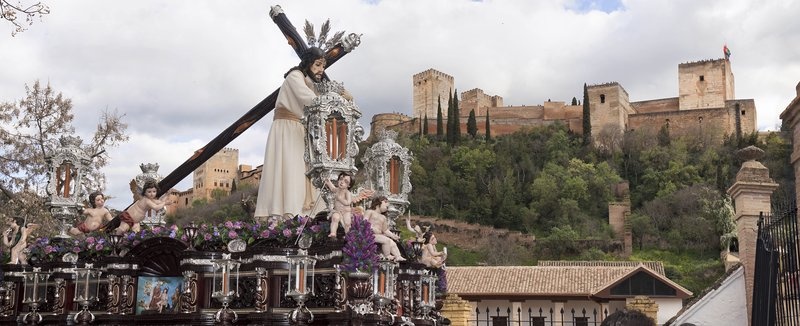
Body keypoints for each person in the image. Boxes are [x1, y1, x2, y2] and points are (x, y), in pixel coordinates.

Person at [254, 46, 351, 219]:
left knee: (302, 171)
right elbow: (310, 100)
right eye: (318, 64)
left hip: (300, 130)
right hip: (287, 129)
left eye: (323, 66)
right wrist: (336, 97)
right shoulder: (295, 77)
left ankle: (305, 215)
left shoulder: (311, 82)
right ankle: (286, 214)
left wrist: (342, 96)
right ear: (308, 63)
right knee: (290, 169)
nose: (321, 69)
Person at [108, 180, 173, 235]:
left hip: (136, 222)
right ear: (145, 192)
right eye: (149, 191)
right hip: (129, 217)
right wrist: (165, 203)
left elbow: (159, 202)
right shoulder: (146, 200)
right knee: (122, 229)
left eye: (154, 191)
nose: (152, 194)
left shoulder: (151, 200)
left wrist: (167, 195)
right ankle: (115, 240)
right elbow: (156, 207)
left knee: (136, 234)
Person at [365, 196, 405, 262]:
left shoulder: (383, 217)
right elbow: (364, 221)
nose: (387, 207)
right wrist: (370, 227)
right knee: (386, 240)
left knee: (392, 243)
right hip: (370, 234)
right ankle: (387, 255)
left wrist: (393, 236)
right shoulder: (370, 212)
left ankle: (398, 256)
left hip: (379, 235)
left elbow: (385, 230)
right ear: (379, 203)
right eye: (386, 204)